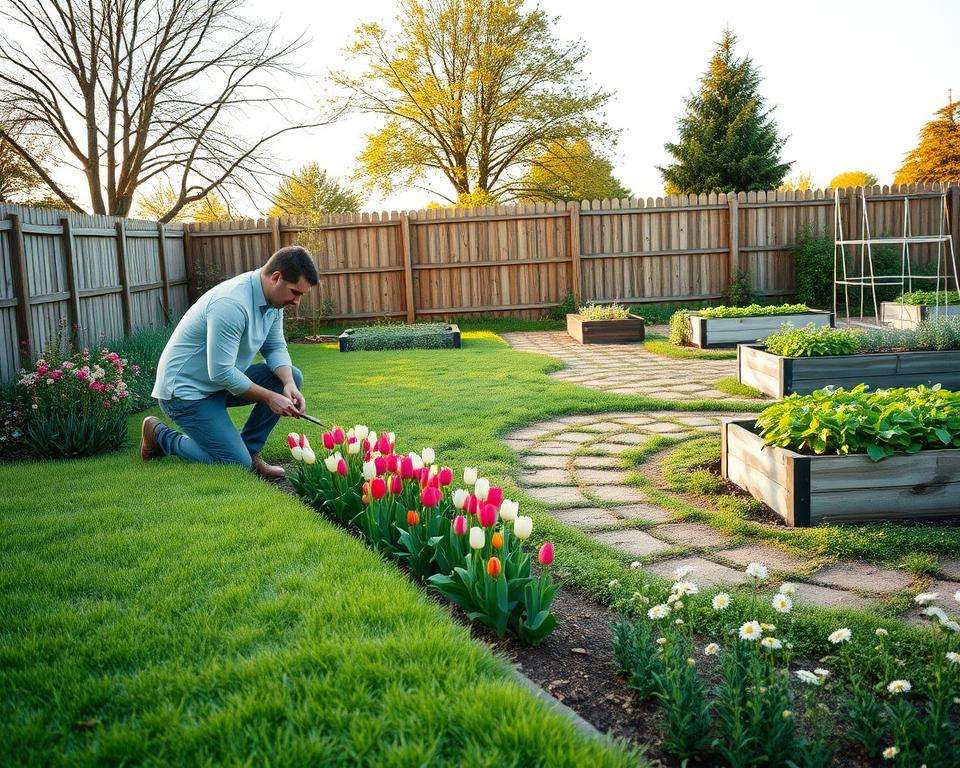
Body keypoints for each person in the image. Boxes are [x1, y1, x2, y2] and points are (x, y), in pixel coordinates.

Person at [139, 245, 318, 479]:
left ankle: (250, 452)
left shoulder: (274, 302)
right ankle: (160, 435)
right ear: (276, 278)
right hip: (185, 393)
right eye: (295, 293)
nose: (296, 301)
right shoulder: (231, 304)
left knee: (292, 375)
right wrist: (270, 397)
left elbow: (274, 347)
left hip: (217, 385)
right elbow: (222, 372)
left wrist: (288, 385)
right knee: (235, 464)